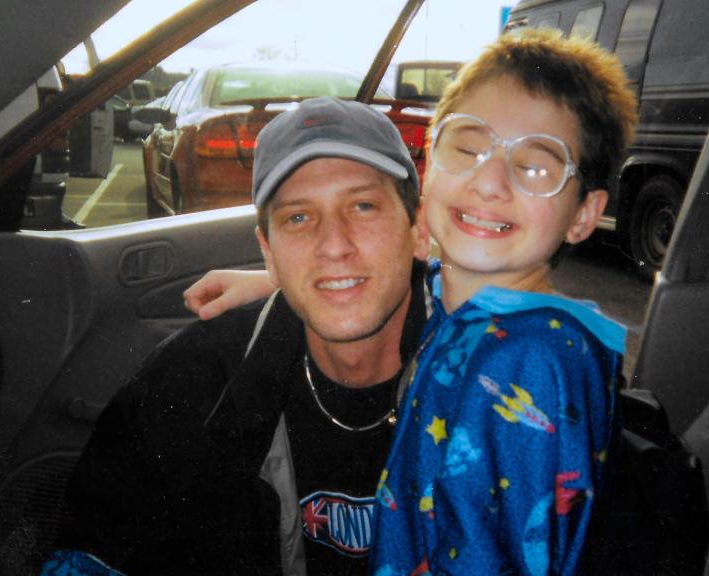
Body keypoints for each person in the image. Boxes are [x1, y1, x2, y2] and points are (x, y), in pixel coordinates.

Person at [186, 29, 639, 575]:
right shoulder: (477, 310)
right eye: (469, 148)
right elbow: (418, 281)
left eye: (536, 166)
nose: (490, 181)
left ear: (585, 214)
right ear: (430, 172)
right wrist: (278, 279)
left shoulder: (525, 364)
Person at [40, 96, 430, 575]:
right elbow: (94, 557)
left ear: (420, 228)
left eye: (364, 205)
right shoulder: (196, 381)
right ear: (267, 250)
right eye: (299, 218)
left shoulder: (494, 379)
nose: (333, 245)